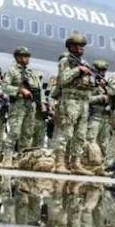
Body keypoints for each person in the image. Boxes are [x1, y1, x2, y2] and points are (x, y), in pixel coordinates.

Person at [50, 33, 96, 174]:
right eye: (76, 45)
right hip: (69, 101)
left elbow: (90, 85)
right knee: (66, 133)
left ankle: (76, 163)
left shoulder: (85, 63)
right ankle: (59, 163)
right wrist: (77, 70)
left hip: (83, 102)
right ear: (69, 47)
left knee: (80, 135)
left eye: (81, 46)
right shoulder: (65, 61)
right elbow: (62, 80)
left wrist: (93, 82)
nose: (79, 48)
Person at [3, 46, 43, 166]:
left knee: (27, 134)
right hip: (18, 106)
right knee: (14, 132)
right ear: (17, 57)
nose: (25, 58)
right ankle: (7, 159)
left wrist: (41, 103)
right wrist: (20, 90)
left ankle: (22, 161)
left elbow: (38, 89)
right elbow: (4, 87)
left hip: (30, 106)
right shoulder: (12, 71)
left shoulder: (31, 73)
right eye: (23, 56)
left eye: (27, 56)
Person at [88, 59, 111, 160]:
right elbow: (85, 99)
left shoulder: (106, 84)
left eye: (104, 70)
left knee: (104, 142)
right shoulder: (90, 84)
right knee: (91, 140)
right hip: (94, 115)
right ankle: (89, 162)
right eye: (100, 70)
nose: (102, 73)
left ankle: (103, 162)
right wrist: (100, 98)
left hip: (106, 116)